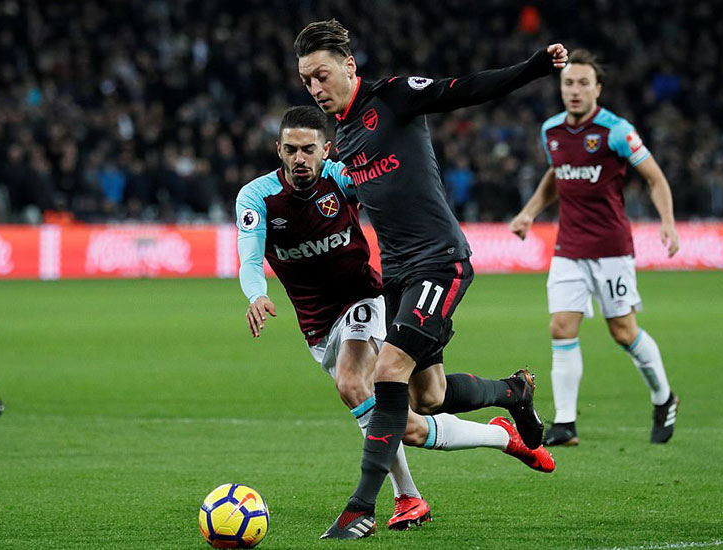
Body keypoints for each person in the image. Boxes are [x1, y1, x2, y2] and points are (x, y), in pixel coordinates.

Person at [294, 19, 567, 539]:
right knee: (429, 398)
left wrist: (532, 68)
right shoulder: (344, 138)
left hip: (440, 260)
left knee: (387, 372)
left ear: (349, 66)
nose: (315, 88)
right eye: (307, 81)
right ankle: (513, 393)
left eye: (321, 75)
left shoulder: (393, 98)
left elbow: (460, 90)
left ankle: (364, 505)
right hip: (397, 273)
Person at [236, 106, 554, 535]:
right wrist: (257, 294)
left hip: (367, 301)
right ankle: (507, 411)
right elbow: (251, 257)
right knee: (423, 407)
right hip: (317, 327)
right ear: (278, 149)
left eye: (308, 149)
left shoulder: (341, 177)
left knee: (352, 384)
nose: (299, 158)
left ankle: (408, 497)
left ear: (325, 149)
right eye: (290, 149)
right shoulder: (257, 197)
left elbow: (393, 197)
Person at [509, 49, 680, 447]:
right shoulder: (551, 130)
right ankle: (566, 423)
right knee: (561, 327)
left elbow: (655, 178)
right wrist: (529, 212)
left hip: (611, 250)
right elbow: (557, 175)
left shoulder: (616, 130)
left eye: (583, 83)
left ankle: (664, 397)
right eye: (568, 83)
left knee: (623, 332)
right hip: (569, 248)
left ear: (597, 89)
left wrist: (668, 223)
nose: (575, 90)